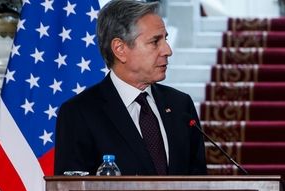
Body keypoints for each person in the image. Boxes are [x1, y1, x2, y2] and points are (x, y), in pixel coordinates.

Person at [54, 0, 207, 175]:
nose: (167, 50)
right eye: (155, 41)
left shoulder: (181, 105)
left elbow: (198, 185)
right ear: (120, 49)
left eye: (165, 39)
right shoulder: (79, 113)